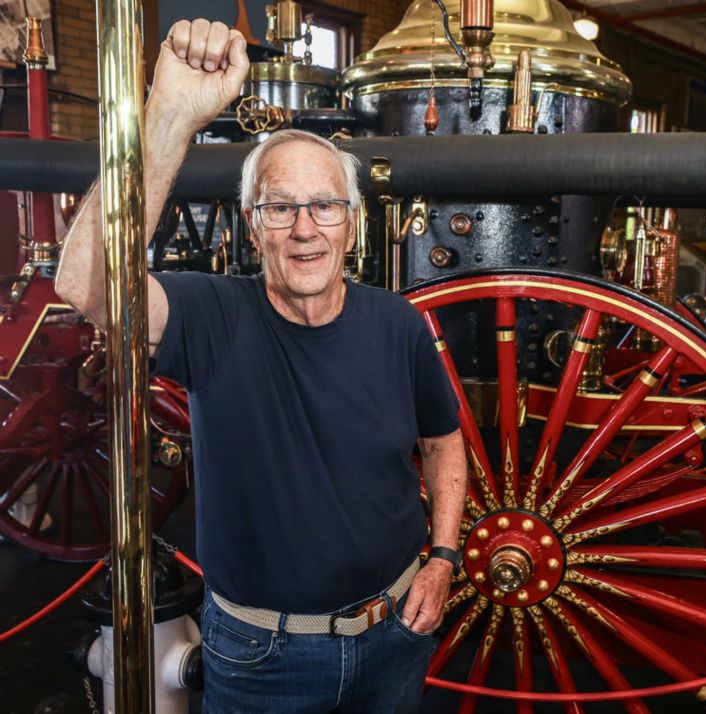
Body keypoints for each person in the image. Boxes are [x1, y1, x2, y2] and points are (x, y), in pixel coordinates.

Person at [55, 18, 467, 713]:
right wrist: (169, 118)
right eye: (280, 208)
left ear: (353, 223)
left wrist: (444, 558)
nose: (304, 228)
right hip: (263, 658)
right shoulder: (216, 315)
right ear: (252, 225)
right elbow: (87, 287)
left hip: (395, 635)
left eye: (324, 207)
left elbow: (443, 440)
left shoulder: (397, 323)